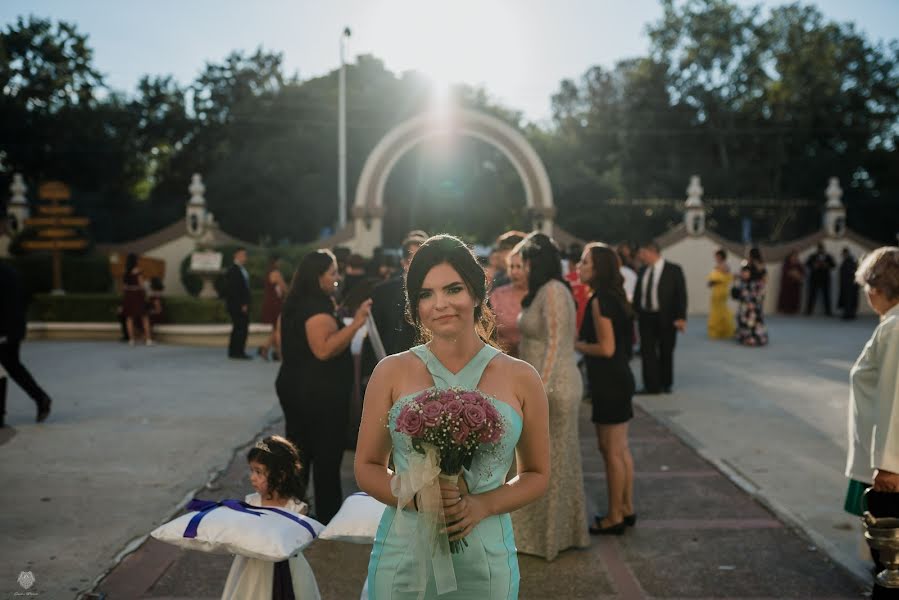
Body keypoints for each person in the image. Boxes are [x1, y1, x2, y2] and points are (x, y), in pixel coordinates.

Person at [356, 234, 550, 598]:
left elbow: (537, 474)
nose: (440, 304)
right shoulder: (390, 372)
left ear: (477, 294)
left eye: (453, 289)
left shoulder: (522, 377)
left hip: (486, 562)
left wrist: (483, 505)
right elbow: (366, 465)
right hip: (404, 562)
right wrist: (415, 497)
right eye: (426, 294)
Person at [276, 250, 371, 523]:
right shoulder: (315, 308)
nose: (337, 278)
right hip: (318, 395)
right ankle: (326, 518)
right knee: (325, 456)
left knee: (298, 451)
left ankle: (292, 511)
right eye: (333, 273)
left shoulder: (295, 303)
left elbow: (282, 343)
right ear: (317, 277)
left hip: (296, 387)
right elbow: (324, 349)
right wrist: (356, 324)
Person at [511, 232, 589, 560]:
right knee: (543, 459)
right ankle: (542, 535)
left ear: (536, 261)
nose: (522, 268)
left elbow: (557, 343)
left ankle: (550, 539)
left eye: (525, 261)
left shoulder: (555, 290)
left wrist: (539, 391)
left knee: (550, 462)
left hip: (553, 386)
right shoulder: (543, 291)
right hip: (543, 383)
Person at [842, 247, 899, 598]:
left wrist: (888, 464)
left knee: (890, 568)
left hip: (889, 472)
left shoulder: (894, 328)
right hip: (885, 461)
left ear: (876, 288)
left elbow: (894, 398)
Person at [575, 243, 636, 535]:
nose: (579, 266)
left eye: (585, 262)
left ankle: (614, 516)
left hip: (610, 381)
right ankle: (626, 508)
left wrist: (576, 345)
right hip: (619, 379)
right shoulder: (616, 296)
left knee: (611, 451)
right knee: (619, 449)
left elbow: (606, 347)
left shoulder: (601, 300)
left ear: (598, 268)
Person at [221, 435, 321, 600]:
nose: (252, 477)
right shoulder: (251, 502)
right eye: (251, 470)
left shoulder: (296, 508)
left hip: (288, 569)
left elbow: (297, 542)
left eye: (259, 472)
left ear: (280, 475)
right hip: (253, 567)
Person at [0, 262, 52, 426]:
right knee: (12, 366)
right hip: (14, 327)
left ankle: (40, 398)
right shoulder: (12, 271)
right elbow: (26, 298)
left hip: (3, 328)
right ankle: (40, 398)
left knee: (7, 367)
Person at [632, 241, 687, 394]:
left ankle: (666, 383)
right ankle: (651, 386)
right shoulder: (643, 271)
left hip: (666, 317)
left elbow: (681, 295)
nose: (640, 256)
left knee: (666, 351)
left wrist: (681, 317)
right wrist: (635, 311)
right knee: (647, 352)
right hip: (646, 317)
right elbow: (639, 294)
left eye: (642, 253)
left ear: (652, 251)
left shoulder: (673, 270)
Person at [490, 248, 528, 357]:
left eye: (519, 267)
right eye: (511, 267)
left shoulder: (538, 295)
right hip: (504, 357)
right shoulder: (498, 294)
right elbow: (486, 329)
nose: (514, 271)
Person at [732, 248, 769, 347]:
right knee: (750, 315)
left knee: (750, 315)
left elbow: (762, 279)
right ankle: (747, 336)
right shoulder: (760, 266)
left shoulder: (753, 265)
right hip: (754, 291)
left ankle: (751, 337)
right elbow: (765, 280)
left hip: (753, 291)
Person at [259, 256, 288, 361]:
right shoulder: (276, 273)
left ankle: (273, 351)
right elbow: (284, 288)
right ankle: (270, 350)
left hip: (269, 302)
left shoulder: (268, 272)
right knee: (278, 329)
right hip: (276, 303)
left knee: (275, 329)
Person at [225, 247, 252, 359]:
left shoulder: (241, 269)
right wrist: (242, 304)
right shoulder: (233, 270)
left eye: (245, 255)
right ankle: (237, 352)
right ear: (236, 255)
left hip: (240, 305)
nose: (245, 257)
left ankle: (236, 351)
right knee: (240, 328)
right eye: (242, 255)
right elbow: (234, 290)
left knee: (239, 327)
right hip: (237, 305)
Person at [122, 252, 153, 346]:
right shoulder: (138, 271)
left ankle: (131, 340)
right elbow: (141, 284)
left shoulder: (125, 272)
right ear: (135, 261)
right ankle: (148, 339)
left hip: (128, 296)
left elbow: (124, 287)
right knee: (144, 317)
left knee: (129, 318)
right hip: (138, 295)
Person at [707, 248, 735, 339]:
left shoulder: (724, 266)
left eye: (716, 256)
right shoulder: (719, 266)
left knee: (720, 310)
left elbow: (724, 278)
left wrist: (713, 282)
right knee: (718, 310)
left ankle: (722, 329)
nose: (715, 257)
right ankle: (721, 329)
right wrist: (711, 282)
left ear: (720, 256)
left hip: (721, 291)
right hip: (716, 290)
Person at [805, 242, 836, 316]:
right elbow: (807, 264)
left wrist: (827, 265)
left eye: (821, 248)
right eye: (819, 248)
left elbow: (834, 265)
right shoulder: (813, 256)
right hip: (814, 279)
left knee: (827, 296)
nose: (820, 250)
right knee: (812, 295)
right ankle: (808, 311)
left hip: (825, 279)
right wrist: (814, 265)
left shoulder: (828, 256)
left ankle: (828, 312)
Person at [777, 250, 804, 314]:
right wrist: (794, 273)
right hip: (787, 285)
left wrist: (798, 275)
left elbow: (802, 274)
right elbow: (787, 272)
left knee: (794, 298)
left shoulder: (798, 264)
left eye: (795, 256)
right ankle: (784, 310)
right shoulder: (786, 264)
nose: (794, 258)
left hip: (795, 285)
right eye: (793, 256)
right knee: (786, 298)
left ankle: (794, 310)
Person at [838, 247, 860, 321]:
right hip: (848, 285)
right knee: (848, 299)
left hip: (850, 285)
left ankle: (849, 314)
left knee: (849, 299)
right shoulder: (849, 260)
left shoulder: (850, 261)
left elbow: (851, 272)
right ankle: (849, 313)